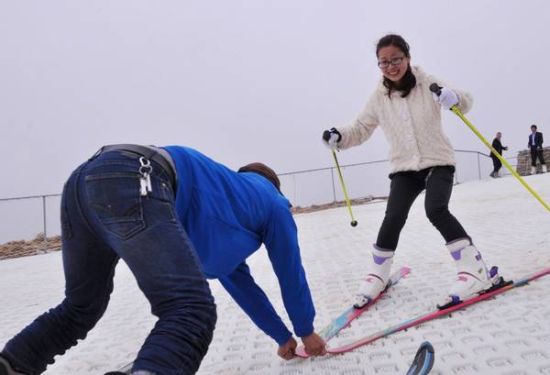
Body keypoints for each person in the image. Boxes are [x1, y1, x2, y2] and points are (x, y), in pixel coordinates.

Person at [0, 145, 326, 375]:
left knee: (80, 308)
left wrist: (283, 336)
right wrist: (306, 329)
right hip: (137, 175)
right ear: (274, 185)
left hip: (81, 185)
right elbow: (289, 271)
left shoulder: (226, 208)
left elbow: (243, 288)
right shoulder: (272, 202)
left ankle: (12, 365)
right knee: (189, 309)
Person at [322, 34, 498, 309]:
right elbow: (360, 128)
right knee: (393, 216)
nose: (391, 66)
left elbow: (465, 101)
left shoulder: (428, 83)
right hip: (404, 167)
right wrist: (339, 136)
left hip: (437, 160)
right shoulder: (378, 98)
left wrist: (453, 98)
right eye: (384, 62)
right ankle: (378, 274)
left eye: (396, 60)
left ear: (407, 58)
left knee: (436, 209)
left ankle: (474, 270)